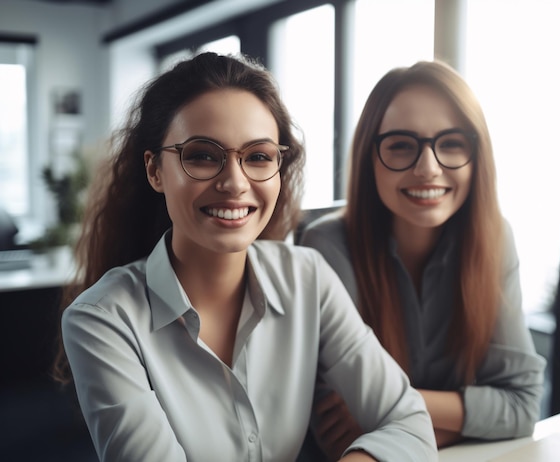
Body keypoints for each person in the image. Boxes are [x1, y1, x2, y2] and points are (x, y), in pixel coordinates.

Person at [53, 52, 437, 462]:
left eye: (258, 157)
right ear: (155, 170)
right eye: (202, 155)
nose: (235, 183)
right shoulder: (101, 320)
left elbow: (410, 422)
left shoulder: (308, 277)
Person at [298, 60, 546, 459]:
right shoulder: (326, 246)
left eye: (451, 143)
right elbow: (336, 430)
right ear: (369, 157)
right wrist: (463, 419)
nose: (428, 168)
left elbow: (521, 406)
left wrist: (400, 420)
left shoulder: (495, 238)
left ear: (476, 154)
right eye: (400, 145)